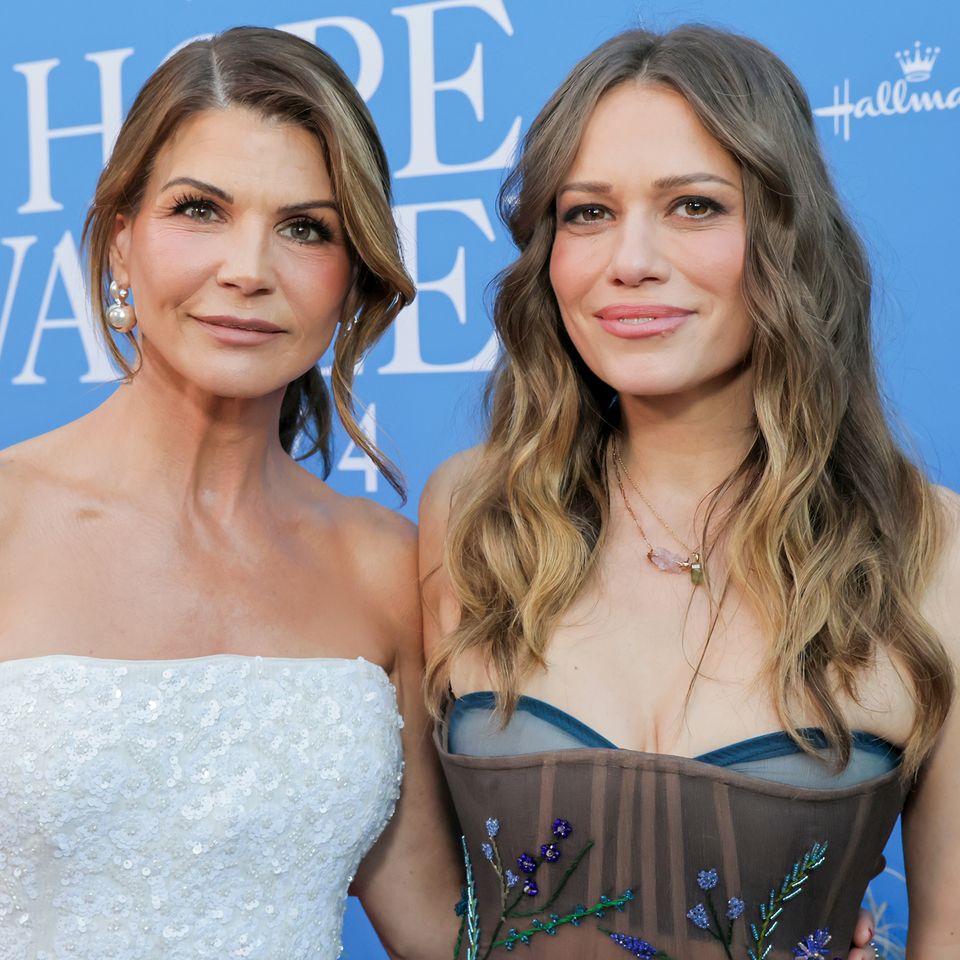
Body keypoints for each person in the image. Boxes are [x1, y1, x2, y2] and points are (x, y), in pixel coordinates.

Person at [420, 25, 959, 960]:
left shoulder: (932, 548)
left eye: (695, 206)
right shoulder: (474, 517)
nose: (631, 259)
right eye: (588, 212)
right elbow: (428, 911)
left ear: (789, 237)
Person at [0, 27, 458, 960]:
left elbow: (443, 929)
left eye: (306, 228)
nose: (249, 270)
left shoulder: (385, 566)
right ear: (120, 242)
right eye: (199, 210)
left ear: (351, 276)